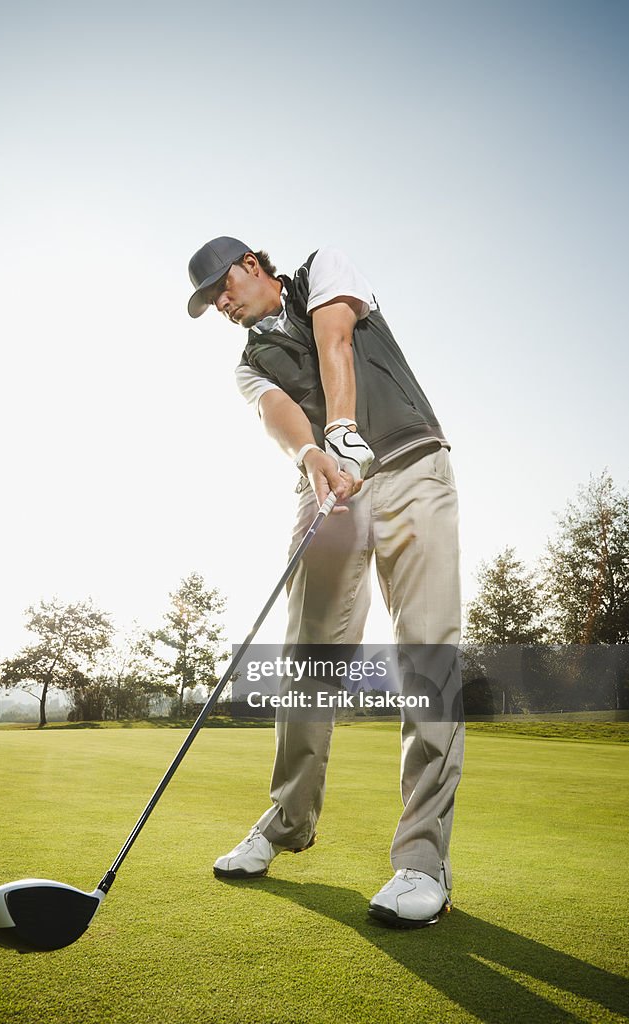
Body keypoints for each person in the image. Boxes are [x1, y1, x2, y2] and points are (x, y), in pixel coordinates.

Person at [186, 236, 464, 929]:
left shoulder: (322, 267)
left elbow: (336, 339)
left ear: (253, 264)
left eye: (224, 286)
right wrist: (315, 454)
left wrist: (342, 426)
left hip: (409, 466)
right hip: (330, 490)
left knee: (427, 654)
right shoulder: (249, 362)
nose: (222, 304)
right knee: (309, 658)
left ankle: (423, 862)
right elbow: (278, 413)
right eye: (211, 302)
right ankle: (287, 821)